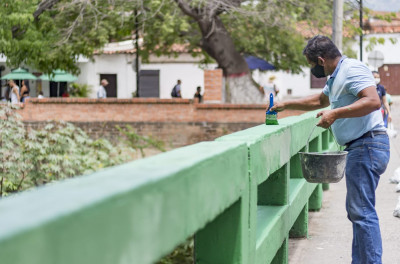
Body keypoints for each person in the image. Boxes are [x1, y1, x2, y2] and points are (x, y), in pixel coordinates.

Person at [271, 35, 389, 264]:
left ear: (321, 59)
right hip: (361, 146)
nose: (312, 70)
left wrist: (335, 114)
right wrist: (287, 105)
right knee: (358, 211)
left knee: (362, 212)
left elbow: (373, 101)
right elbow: (320, 101)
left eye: (311, 65)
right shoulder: (336, 77)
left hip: (368, 144)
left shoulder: (352, 69)